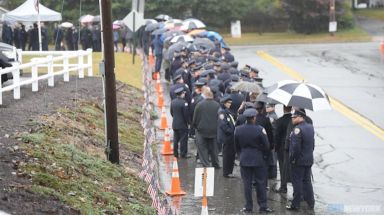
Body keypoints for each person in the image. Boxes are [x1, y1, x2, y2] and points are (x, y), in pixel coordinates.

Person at [234, 108, 273, 213]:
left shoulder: (238, 129)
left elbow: (236, 146)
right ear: (254, 117)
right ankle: (263, 206)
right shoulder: (260, 129)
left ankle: (248, 206)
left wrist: (241, 155)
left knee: (247, 184)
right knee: (261, 183)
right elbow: (267, 146)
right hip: (258, 159)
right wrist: (264, 156)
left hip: (244, 158)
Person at [286, 109, 315, 211]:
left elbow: (295, 148)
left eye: (294, 117)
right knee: (307, 181)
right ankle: (311, 202)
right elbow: (312, 145)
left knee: (297, 182)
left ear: (300, 117)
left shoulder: (297, 129)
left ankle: (295, 204)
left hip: (298, 161)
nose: (292, 119)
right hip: (308, 159)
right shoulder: (310, 127)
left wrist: (292, 159)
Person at [192, 87, 220, 168]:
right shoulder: (217, 105)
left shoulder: (199, 105)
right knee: (214, 149)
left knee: (202, 148)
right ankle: (216, 164)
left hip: (201, 130)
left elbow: (195, 118)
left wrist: (196, 126)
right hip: (214, 131)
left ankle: (206, 164)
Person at [273, 105, 292, 193]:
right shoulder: (293, 120)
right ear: (291, 109)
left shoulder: (279, 121)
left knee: (282, 166)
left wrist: (275, 147)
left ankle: (283, 186)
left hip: (282, 147)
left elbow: (277, 136)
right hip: (292, 146)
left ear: (283, 109)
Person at [218, 95, 236, 178]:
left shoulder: (227, 111)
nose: (230, 104)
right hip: (227, 137)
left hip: (231, 137)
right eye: (228, 103)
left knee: (231, 155)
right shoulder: (221, 112)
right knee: (227, 155)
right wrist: (232, 131)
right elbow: (223, 125)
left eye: (230, 103)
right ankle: (226, 172)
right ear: (224, 103)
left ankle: (230, 171)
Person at [170, 87, 190, 158]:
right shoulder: (184, 103)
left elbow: (171, 113)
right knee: (183, 139)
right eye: (183, 93)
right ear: (181, 94)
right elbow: (186, 115)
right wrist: (188, 123)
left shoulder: (173, 102)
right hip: (182, 125)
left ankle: (175, 153)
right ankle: (183, 153)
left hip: (175, 124)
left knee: (176, 139)